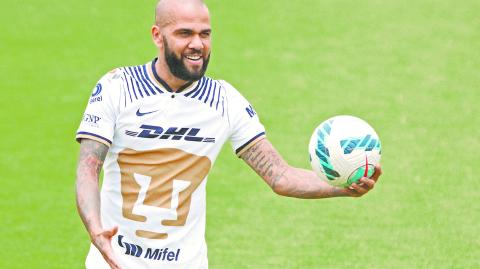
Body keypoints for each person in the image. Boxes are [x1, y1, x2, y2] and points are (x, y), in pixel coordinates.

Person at [75, 0, 382, 268]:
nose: (197, 44)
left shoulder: (225, 101)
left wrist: (343, 188)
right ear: (158, 35)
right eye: (185, 33)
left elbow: (280, 176)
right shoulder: (118, 88)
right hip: (113, 262)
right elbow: (88, 169)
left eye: (204, 34)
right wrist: (95, 229)